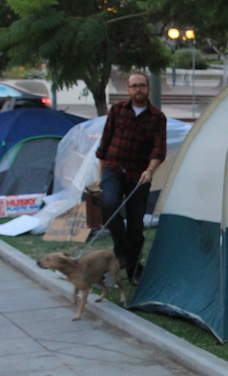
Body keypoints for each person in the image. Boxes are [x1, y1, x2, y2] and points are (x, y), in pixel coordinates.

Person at [96, 71, 167, 285]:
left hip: (140, 175)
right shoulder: (117, 111)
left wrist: (150, 170)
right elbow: (104, 145)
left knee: (136, 225)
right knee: (109, 205)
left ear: (149, 89)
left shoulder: (157, 117)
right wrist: (101, 176)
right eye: (134, 86)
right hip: (113, 169)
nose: (138, 89)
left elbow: (158, 150)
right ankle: (122, 251)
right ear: (128, 89)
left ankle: (134, 271)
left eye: (142, 85)